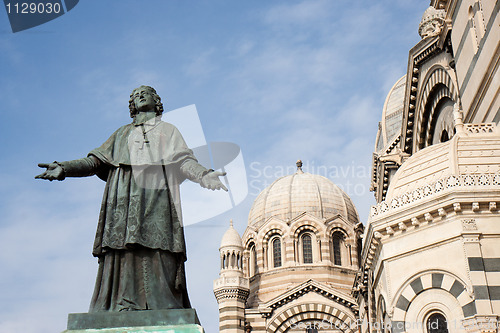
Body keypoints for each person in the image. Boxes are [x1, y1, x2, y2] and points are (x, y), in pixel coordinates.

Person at [36, 85, 227, 312]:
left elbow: (184, 162)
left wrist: (204, 175)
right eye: (135, 95)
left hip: (157, 196)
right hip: (123, 199)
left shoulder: (169, 130)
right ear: (132, 106)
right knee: (122, 249)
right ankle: (120, 303)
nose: (139, 96)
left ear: (156, 101)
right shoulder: (121, 134)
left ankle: (163, 305)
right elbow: (95, 161)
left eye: (145, 93)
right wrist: (64, 168)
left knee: (160, 245)